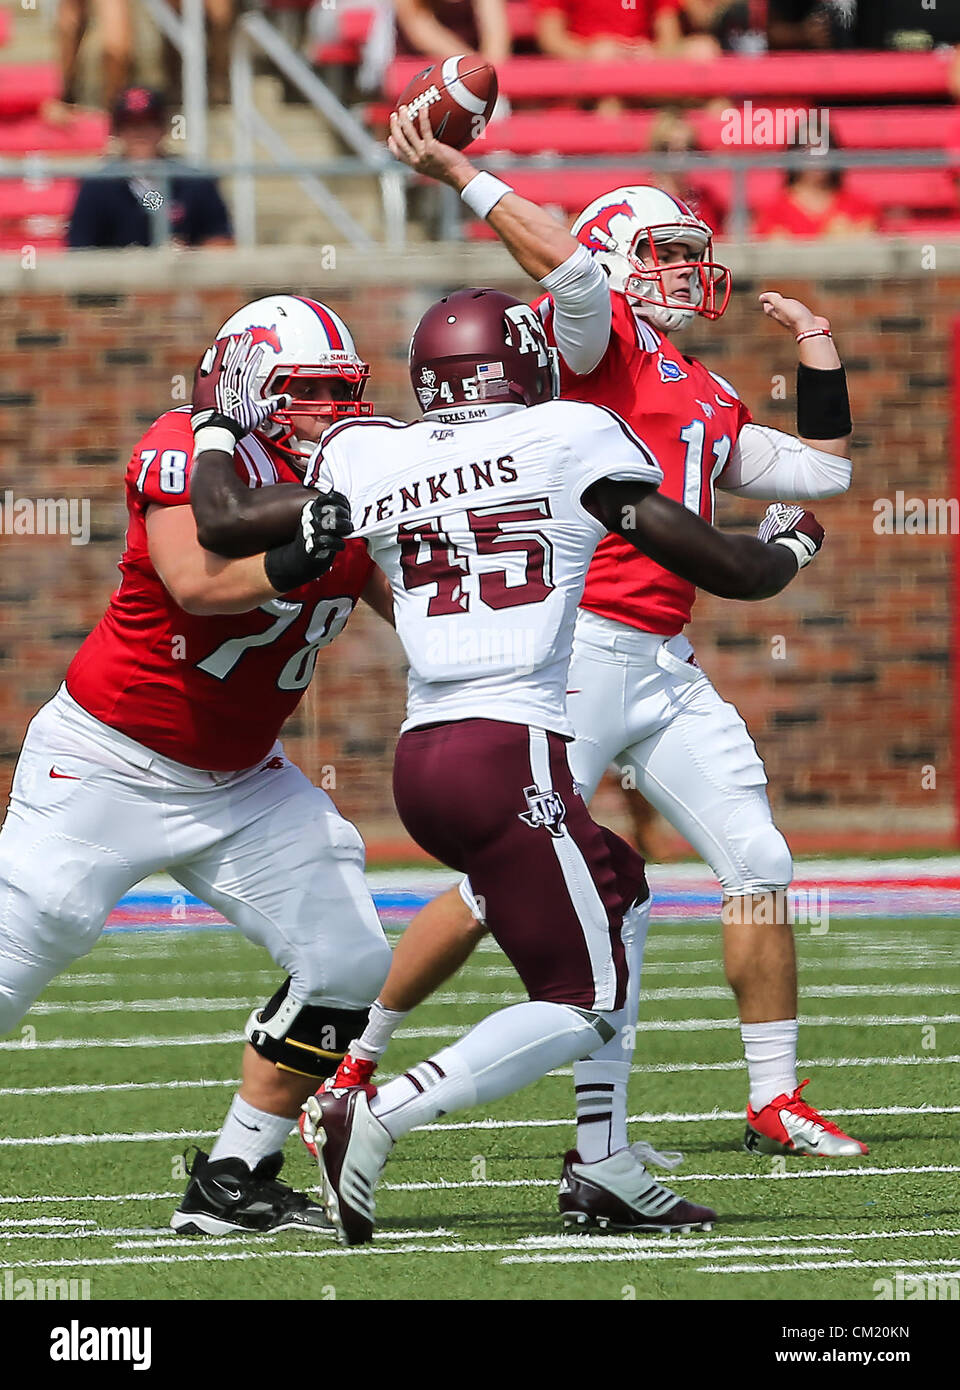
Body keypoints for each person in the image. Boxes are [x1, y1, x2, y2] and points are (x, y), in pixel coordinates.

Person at [315, 107, 864, 1239]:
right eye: (663, 252)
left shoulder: (704, 393)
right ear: (616, 259)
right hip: (576, 648)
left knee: (756, 857)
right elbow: (558, 261)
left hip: (665, 660)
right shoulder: (596, 338)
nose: (684, 273)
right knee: (504, 880)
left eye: (687, 256)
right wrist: (464, 170)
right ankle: (357, 1061)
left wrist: (819, 351)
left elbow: (823, 475)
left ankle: (769, 1096)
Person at [0, 295, 397, 1237]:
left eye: (345, 392)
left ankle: (234, 1175)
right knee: (18, 954)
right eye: (307, 393)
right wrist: (303, 555)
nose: (332, 412)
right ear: (251, 386)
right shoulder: (188, 444)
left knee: (349, 960)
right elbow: (197, 582)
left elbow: (413, 609)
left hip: (243, 779)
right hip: (107, 761)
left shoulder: (357, 471)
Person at [67, 87, 233, 250]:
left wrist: (189, 258)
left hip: (181, 275)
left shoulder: (194, 181)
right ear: (117, 131)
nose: (140, 133)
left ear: (163, 128)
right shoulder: (97, 185)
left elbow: (221, 241)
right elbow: (81, 249)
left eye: (149, 123)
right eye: (130, 125)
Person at [754, 142, 876, 239]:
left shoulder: (859, 206)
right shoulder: (774, 210)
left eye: (823, 150)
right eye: (808, 150)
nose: (817, 158)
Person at [534, 0, 683, 59]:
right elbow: (552, 40)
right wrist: (590, 53)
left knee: (702, 50)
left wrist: (653, 53)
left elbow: (670, 38)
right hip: (587, 75)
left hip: (642, 65)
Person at [394, 0, 511, 61]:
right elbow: (419, 30)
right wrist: (473, 69)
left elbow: (496, 40)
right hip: (422, 73)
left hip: (473, 73)